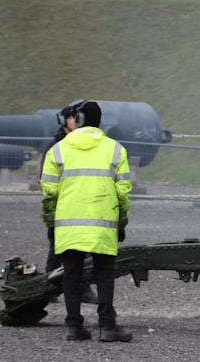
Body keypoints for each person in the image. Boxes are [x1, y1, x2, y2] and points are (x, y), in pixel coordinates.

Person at [41, 101, 133, 342]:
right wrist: (121, 222)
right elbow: (122, 192)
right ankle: (108, 327)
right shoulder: (115, 150)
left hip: (68, 225)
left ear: (77, 120)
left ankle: (74, 327)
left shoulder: (58, 150)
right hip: (103, 224)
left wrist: (50, 221)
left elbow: (49, 192)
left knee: (71, 275)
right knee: (104, 275)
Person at [41, 102, 98, 304]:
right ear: (64, 121)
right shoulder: (56, 146)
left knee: (83, 248)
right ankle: (49, 287)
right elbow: (47, 180)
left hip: (82, 204)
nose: (77, 121)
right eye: (73, 117)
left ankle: (80, 288)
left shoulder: (78, 143)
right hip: (64, 205)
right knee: (57, 249)